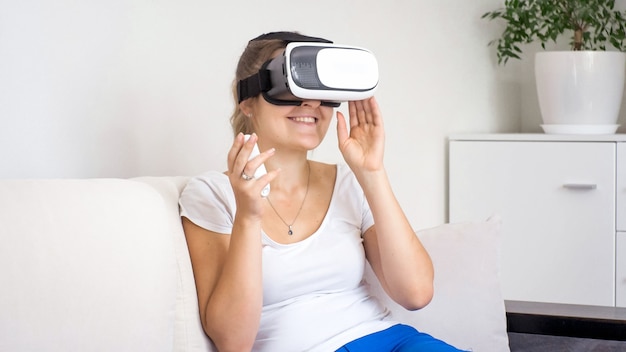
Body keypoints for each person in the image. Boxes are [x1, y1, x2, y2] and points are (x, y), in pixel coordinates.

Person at [179, 31, 466, 352]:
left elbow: (416, 293)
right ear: (247, 101)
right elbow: (233, 342)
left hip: (392, 341)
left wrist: (372, 173)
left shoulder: (348, 183)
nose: (311, 102)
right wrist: (248, 217)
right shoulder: (211, 194)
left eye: (320, 89)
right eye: (290, 86)